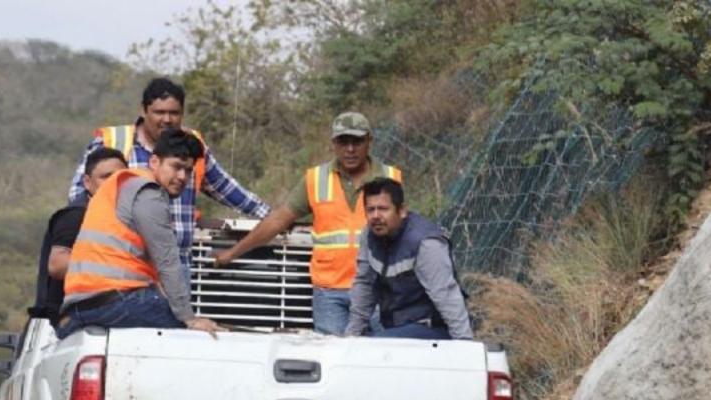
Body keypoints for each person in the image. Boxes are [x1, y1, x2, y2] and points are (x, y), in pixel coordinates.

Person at [213, 111, 402, 335]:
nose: (350, 149)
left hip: (378, 290)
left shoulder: (391, 177)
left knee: (382, 357)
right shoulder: (315, 179)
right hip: (330, 294)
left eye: (357, 141)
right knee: (332, 362)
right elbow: (278, 220)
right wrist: (233, 253)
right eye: (343, 141)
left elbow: (405, 231)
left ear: (369, 141)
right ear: (333, 143)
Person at [67, 77, 270, 277]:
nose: (167, 119)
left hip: (177, 264)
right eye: (159, 112)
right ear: (143, 110)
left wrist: (273, 216)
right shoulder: (113, 142)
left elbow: (226, 188)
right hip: (126, 264)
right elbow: (78, 197)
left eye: (174, 113)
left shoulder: (191, 145)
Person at [58, 129, 223, 339]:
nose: (182, 177)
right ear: (154, 162)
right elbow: (167, 261)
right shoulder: (148, 193)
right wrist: (190, 319)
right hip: (113, 300)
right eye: (176, 167)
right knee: (192, 336)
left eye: (189, 171)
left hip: (79, 305)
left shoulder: (122, 184)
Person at [344, 178, 472, 340]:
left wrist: (464, 344)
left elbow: (446, 295)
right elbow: (364, 285)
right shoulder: (369, 235)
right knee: (362, 346)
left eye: (383, 209)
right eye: (370, 210)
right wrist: (352, 336)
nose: (375, 216)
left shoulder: (426, 242)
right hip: (396, 327)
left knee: (376, 347)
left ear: (402, 210)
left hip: (432, 329)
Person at [33, 147, 127, 318]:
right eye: (106, 177)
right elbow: (58, 265)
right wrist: (116, 266)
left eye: (120, 177)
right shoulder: (75, 216)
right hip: (64, 321)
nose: (114, 182)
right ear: (87, 182)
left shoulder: (119, 216)